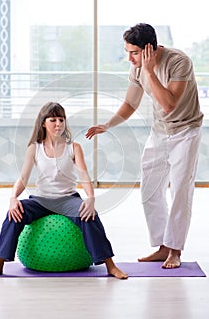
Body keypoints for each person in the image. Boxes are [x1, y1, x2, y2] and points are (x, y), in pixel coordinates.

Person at [86, 23, 203, 269]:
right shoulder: (138, 69)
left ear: (149, 49)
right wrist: (108, 125)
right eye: (127, 52)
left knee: (180, 190)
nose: (129, 58)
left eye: (134, 53)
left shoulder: (179, 62)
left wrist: (150, 71)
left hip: (185, 132)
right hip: (159, 132)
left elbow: (169, 104)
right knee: (149, 189)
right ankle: (162, 246)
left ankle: (175, 250)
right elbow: (130, 103)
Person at [0, 102, 128, 279]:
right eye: (53, 120)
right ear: (43, 122)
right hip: (40, 200)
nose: (58, 124)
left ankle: (110, 266)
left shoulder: (74, 147)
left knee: (90, 216)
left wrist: (90, 198)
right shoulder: (34, 148)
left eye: (61, 119)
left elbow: (84, 175)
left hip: (67, 199)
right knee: (14, 213)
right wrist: (13, 198)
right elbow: (23, 178)